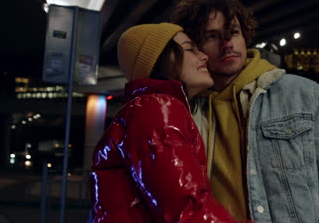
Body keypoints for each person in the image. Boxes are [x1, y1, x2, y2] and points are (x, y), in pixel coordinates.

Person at [169, 0, 319, 222]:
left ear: (244, 35)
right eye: (212, 36)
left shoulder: (302, 94)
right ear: (195, 48)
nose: (227, 44)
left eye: (232, 32)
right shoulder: (185, 110)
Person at [89, 23, 252, 223]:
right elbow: (187, 210)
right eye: (190, 49)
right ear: (162, 60)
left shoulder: (146, 109)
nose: (204, 56)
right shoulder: (157, 108)